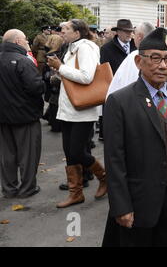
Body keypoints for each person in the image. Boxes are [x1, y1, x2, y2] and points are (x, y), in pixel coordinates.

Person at [102, 27, 167, 247]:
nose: (163, 66)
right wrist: (121, 206)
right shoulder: (120, 102)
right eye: (155, 59)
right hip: (140, 202)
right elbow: (114, 158)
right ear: (138, 62)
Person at [47, 19, 107, 208]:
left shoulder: (85, 48)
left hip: (82, 109)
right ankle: (76, 194)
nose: (61, 32)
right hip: (69, 109)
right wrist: (59, 72)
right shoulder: (73, 47)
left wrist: (60, 67)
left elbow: (86, 77)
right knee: (69, 152)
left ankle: (105, 177)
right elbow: (72, 75)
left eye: (65, 29)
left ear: (77, 33)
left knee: (77, 151)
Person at [0, 29, 44, 198]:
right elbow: (36, 87)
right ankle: (27, 188)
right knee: (28, 155)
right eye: (25, 39)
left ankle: (9, 189)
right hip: (25, 115)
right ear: (17, 41)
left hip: (3, 117)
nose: (28, 42)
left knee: (7, 155)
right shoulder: (23, 61)